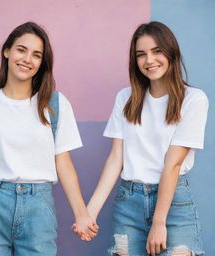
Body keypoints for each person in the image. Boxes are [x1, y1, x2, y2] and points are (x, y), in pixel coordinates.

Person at [0, 21, 98, 256]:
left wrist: (81, 213)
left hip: (39, 209)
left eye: (36, 55)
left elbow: (63, 162)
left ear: (41, 63)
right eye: (21, 50)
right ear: (7, 51)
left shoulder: (55, 105)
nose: (27, 59)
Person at [73, 21, 208, 256]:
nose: (149, 60)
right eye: (141, 54)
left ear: (171, 53)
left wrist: (159, 222)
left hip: (174, 204)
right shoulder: (126, 98)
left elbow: (173, 164)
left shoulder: (194, 99)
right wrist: (89, 213)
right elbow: (116, 159)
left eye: (157, 51)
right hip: (129, 203)